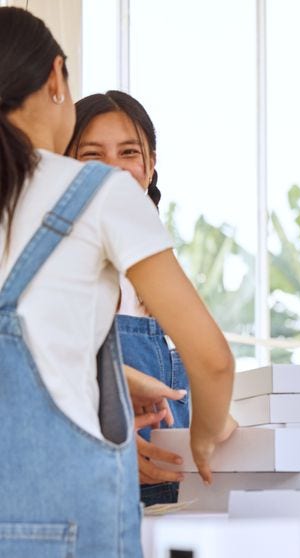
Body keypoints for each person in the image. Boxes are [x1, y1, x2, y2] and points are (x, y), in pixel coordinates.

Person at [0, 7, 234, 555]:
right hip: (73, 519)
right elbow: (215, 361)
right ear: (57, 78)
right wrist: (202, 435)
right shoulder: (100, 195)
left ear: (152, 162)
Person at [66, 90, 191, 506]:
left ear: (150, 166)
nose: (114, 171)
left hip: (176, 503)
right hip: (93, 494)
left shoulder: (162, 276)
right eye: (92, 155)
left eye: (128, 153)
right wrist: (109, 443)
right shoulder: (53, 268)